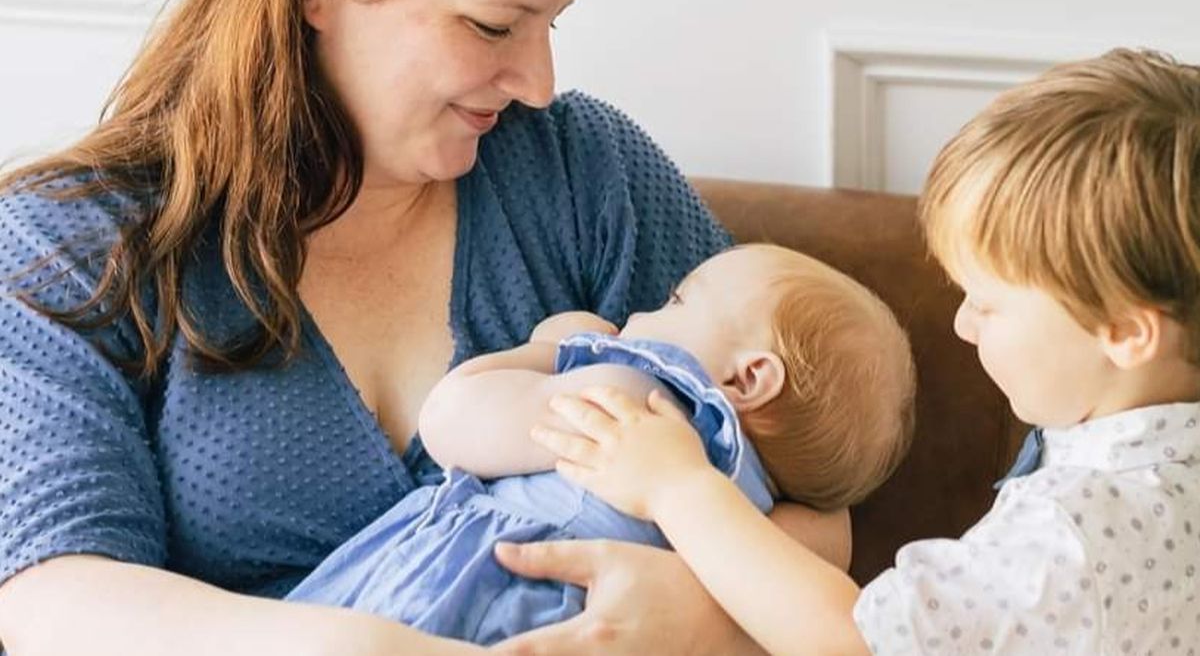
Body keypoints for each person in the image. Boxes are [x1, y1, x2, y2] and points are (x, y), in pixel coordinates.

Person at [0, 0, 847, 654]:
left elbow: (819, 500)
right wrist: (362, 650)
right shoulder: (72, 241)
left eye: (550, 24)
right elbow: (50, 596)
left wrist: (701, 616)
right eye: (492, 26)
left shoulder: (585, 173)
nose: (536, 83)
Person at [524, 48, 1200, 655]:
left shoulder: (1077, 534)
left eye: (989, 304)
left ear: (1125, 332)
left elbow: (851, 641)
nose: (963, 325)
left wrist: (679, 487)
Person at [283, 243, 916, 644]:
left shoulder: (631, 398)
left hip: (469, 598)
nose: (647, 309)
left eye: (676, 299)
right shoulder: (749, 509)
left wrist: (547, 348)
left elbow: (450, 422)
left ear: (745, 379)